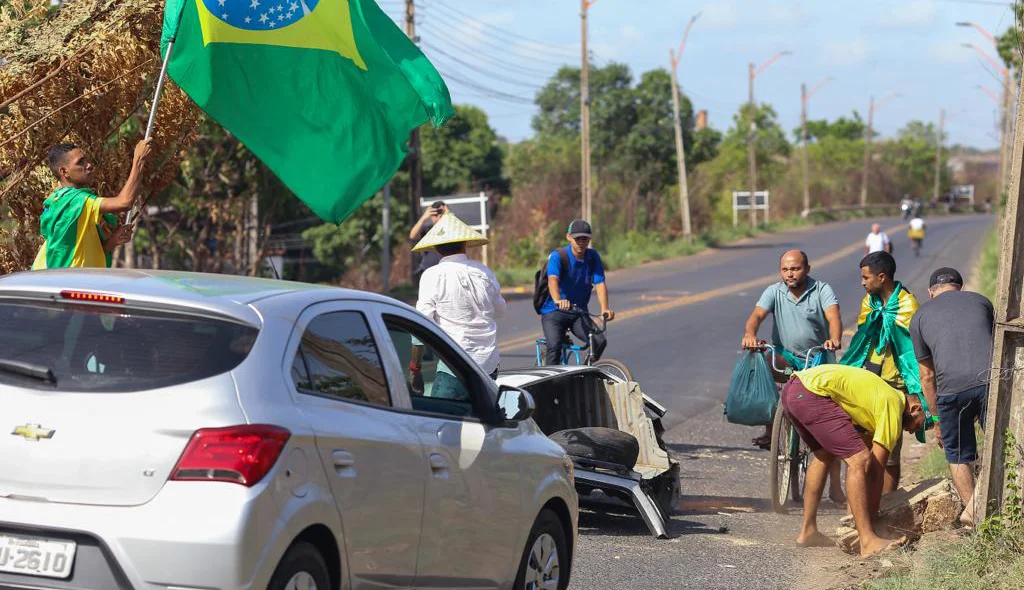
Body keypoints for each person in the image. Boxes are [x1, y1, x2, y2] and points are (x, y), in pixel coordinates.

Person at [781, 363, 927, 558]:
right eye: (920, 425)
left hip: (793, 390)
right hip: (811, 394)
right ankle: (868, 541)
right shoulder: (894, 403)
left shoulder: (879, 398)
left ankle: (808, 531)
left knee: (824, 455)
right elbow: (876, 470)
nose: (912, 431)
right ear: (915, 408)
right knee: (860, 461)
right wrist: (874, 519)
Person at [741, 250, 846, 503]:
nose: (790, 274)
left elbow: (833, 316)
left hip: (817, 355)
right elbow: (756, 316)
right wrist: (750, 334)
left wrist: (834, 339)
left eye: (796, 269)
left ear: (807, 269)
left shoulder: (821, 289)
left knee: (830, 421)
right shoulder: (774, 291)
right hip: (786, 355)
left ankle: (835, 486)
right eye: (786, 269)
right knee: (764, 366)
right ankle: (771, 426)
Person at [910, 268, 993, 526]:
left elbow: (926, 377)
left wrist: (935, 419)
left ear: (930, 292)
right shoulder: (981, 301)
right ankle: (984, 507)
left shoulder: (920, 316)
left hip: (950, 390)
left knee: (957, 454)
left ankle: (975, 516)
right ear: (961, 286)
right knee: (1000, 443)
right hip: (989, 381)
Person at [840, 251, 922, 493]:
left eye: (866, 278)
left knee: (889, 451)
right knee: (858, 448)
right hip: (867, 379)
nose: (862, 283)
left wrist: (914, 394)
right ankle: (856, 507)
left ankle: (886, 505)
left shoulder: (909, 306)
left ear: (882, 277)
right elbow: (862, 339)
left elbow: (912, 351)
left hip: (895, 384)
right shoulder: (869, 303)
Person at [413, 212, 507, 391]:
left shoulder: (432, 275)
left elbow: (422, 323)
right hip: (488, 364)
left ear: (437, 248)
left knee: (442, 417)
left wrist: (415, 369)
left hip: (454, 365)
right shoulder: (485, 272)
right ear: (465, 244)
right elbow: (500, 311)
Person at [32, 139, 152, 270]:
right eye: (80, 162)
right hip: (62, 284)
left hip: (54, 281)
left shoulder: (62, 200)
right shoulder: (75, 201)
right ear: (64, 172)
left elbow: (77, 251)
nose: (89, 165)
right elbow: (125, 202)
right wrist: (138, 161)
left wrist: (113, 242)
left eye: (86, 160)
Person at [538, 219, 614, 365]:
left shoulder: (592, 257)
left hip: (578, 313)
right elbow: (552, 280)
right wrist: (558, 300)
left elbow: (600, 283)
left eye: (585, 238)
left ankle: (584, 371)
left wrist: (605, 309)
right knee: (554, 347)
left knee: (599, 341)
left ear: (589, 239)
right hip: (554, 312)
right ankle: (548, 384)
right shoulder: (558, 256)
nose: (581, 242)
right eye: (577, 238)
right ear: (569, 237)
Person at [408, 200, 448, 283]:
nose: (438, 217)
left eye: (440, 214)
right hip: (428, 272)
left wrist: (448, 216)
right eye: (434, 215)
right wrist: (423, 218)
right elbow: (412, 236)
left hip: (446, 272)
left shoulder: (450, 228)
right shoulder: (427, 229)